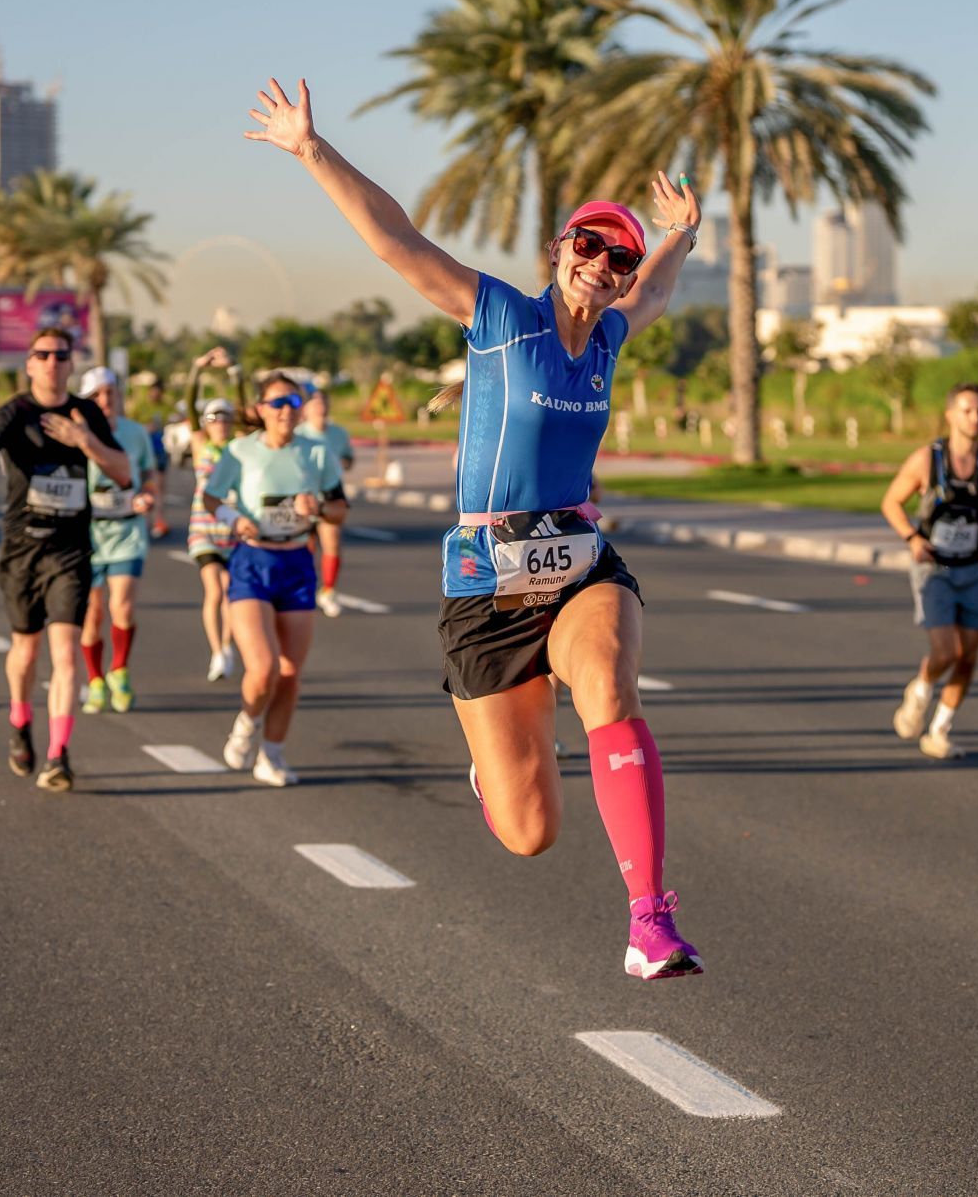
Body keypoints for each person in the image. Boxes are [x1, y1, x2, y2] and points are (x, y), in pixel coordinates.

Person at [245, 76, 707, 979]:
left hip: (578, 566)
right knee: (530, 831)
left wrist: (680, 237)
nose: (605, 266)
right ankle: (494, 779)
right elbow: (396, 240)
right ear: (557, 248)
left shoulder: (612, 336)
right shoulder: (500, 317)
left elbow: (653, 293)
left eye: (619, 258)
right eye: (590, 245)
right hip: (487, 588)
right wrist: (310, 148)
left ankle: (649, 919)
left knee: (610, 684)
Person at [0, 328, 130, 792]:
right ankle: (20, 721)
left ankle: (59, 755)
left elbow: (124, 474)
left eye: (60, 356)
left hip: (69, 551)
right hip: (23, 551)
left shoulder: (86, 415)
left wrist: (85, 441)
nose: (51, 362)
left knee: (65, 652)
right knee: (25, 650)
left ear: (69, 364)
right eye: (42, 355)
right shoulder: (15, 413)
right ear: (29, 363)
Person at [198, 372, 344, 786]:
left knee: (289, 672)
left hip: (296, 562)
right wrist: (233, 518)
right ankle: (246, 723)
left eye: (294, 403)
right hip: (252, 561)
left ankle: (272, 755)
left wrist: (316, 507)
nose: (287, 411)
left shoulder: (316, 453)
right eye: (278, 403)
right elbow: (210, 497)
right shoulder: (240, 451)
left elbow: (340, 510)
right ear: (260, 409)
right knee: (262, 669)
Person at [880, 382, 978, 760]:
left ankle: (939, 730)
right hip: (934, 569)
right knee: (947, 651)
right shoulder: (927, 459)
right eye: (967, 410)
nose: (975, 417)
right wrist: (911, 538)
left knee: (968, 657)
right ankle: (920, 690)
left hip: (974, 570)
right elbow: (891, 501)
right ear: (950, 415)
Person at [77, 367, 162, 715]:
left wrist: (148, 496)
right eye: (97, 395)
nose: (105, 400)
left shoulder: (135, 433)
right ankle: (95, 679)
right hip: (88, 533)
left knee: (122, 603)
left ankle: (120, 670)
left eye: (110, 393)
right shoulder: (76, 434)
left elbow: (150, 473)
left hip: (127, 530)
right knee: (92, 612)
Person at [187, 347, 247, 681]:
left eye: (224, 417)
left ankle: (226, 647)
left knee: (230, 592)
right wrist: (198, 369)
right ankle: (217, 651)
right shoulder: (200, 444)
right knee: (216, 589)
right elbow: (190, 405)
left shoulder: (238, 445)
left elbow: (243, 406)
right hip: (204, 527)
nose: (219, 423)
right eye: (213, 418)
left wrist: (234, 370)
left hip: (233, 527)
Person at [298, 386, 355, 617]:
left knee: (331, 540)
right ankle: (304, 588)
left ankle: (328, 590)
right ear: (306, 409)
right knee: (305, 546)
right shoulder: (298, 434)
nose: (320, 407)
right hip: (303, 496)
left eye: (323, 402)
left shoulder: (339, 434)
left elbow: (349, 459)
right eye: (315, 402)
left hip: (330, 495)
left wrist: (342, 463)